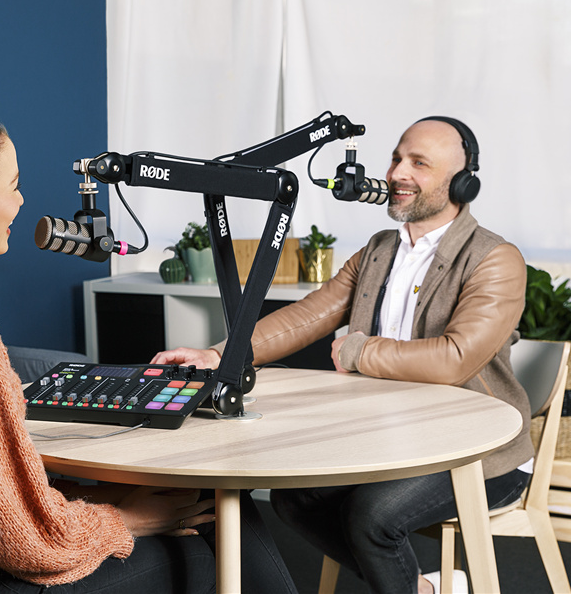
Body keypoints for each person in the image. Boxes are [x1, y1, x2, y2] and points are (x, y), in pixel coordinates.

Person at [0, 101, 298, 594]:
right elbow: (22, 539)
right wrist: (127, 521)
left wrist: (105, 499)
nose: (20, 203)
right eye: (12, 187)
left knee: (196, 502)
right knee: (211, 533)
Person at [152, 117, 533, 594]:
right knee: (295, 499)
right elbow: (308, 316)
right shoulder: (379, 249)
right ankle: (423, 590)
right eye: (396, 158)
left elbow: (455, 358)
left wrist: (358, 349)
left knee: (372, 518)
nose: (397, 173)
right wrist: (218, 355)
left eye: (419, 163)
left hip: (477, 450)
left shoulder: (495, 258)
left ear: (463, 182)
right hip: (397, 435)